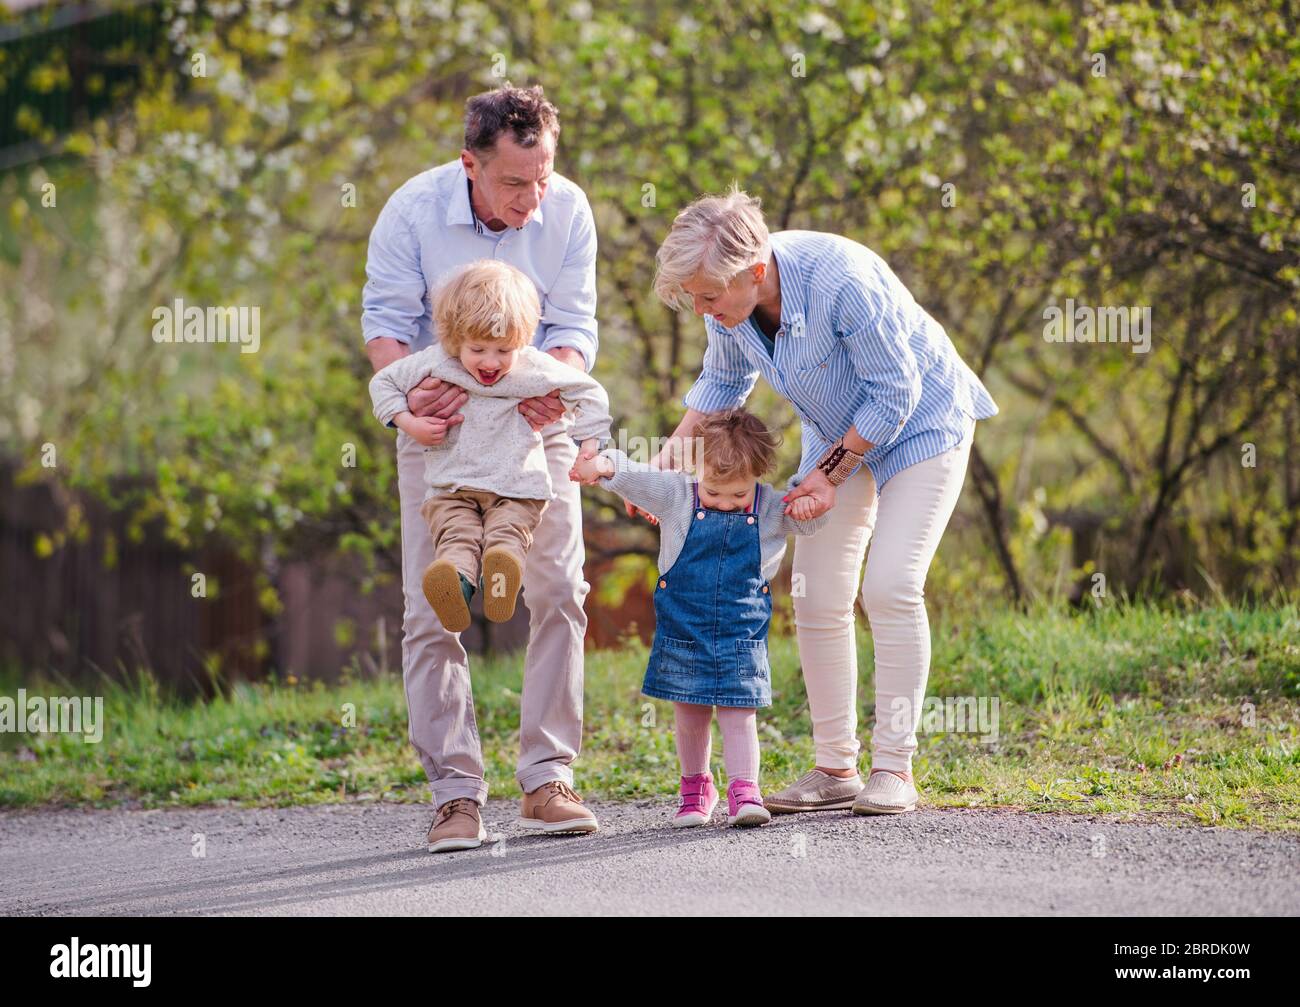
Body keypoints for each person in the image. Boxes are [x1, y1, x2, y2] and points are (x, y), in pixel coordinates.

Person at [647, 185, 999, 816]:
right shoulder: (727, 304)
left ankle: (895, 768)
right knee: (817, 594)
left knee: (890, 586)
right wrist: (671, 457)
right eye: (692, 297)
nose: (699, 308)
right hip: (837, 430)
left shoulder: (843, 279)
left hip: (921, 422)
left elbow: (895, 391)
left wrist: (830, 474)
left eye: (707, 296)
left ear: (754, 272)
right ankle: (836, 767)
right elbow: (726, 380)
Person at [362, 84, 601, 853]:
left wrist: (552, 391)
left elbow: (573, 325)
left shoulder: (567, 208)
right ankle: (456, 796)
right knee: (433, 607)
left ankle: (547, 777)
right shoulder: (411, 211)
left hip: (537, 418)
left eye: (543, 176)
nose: (534, 198)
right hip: (442, 431)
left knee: (560, 588)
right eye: (513, 183)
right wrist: (414, 406)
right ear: (470, 163)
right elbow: (385, 326)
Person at [571, 409, 826, 827]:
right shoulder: (676, 495)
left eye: (737, 495)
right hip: (683, 627)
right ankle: (696, 789)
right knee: (689, 713)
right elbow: (634, 475)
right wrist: (602, 464)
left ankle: (745, 791)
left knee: (738, 712)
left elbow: (814, 522)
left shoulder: (771, 507)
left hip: (741, 633)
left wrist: (810, 502)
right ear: (696, 469)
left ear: (758, 477)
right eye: (714, 492)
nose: (725, 503)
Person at [370, 260, 612, 636]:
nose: (490, 362)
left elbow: (589, 391)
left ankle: (500, 573)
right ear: (454, 339)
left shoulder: (534, 367)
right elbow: (382, 384)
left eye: (503, 350)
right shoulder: (437, 361)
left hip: (515, 488)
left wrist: (589, 444)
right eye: (478, 348)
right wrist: (409, 423)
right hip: (453, 490)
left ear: (523, 340)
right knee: (455, 540)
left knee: (507, 535)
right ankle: (456, 582)